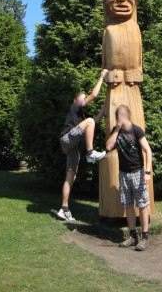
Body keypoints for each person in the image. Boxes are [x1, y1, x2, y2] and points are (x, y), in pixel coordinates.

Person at [56, 69, 109, 221]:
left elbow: (95, 121)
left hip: (71, 147)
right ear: (75, 101)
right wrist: (101, 77)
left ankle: (64, 209)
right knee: (90, 122)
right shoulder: (74, 108)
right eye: (81, 99)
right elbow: (94, 95)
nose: (83, 100)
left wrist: (104, 108)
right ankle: (90, 152)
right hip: (67, 139)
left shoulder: (80, 117)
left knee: (71, 177)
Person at [105, 104, 152, 250]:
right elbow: (108, 147)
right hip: (123, 174)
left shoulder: (136, 130)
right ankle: (132, 236)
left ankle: (144, 236)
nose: (118, 120)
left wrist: (147, 172)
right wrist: (117, 129)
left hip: (138, 172)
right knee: (128, 205)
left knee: (143, 205)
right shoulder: (116, 131)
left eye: (119, 117)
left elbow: (148, 150)